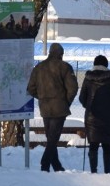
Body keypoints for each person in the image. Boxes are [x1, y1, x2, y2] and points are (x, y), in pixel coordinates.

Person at [26, 42, 79, 172]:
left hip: (45, 107)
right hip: (59, 107)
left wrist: (43, 97)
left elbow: (30, 89)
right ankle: (45, 163)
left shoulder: (38, 68)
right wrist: (66, 101)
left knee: (51, 137)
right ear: (61, 54)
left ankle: (56, 165)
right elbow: (73, 88)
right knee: (53, 139)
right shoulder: (65, 67)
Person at [79, 55, 110, 174]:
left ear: (94, 65)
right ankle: (107, 172)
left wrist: (88, 105)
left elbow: (81, 98)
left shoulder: (88, 78)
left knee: (93, 146)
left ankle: (93, 172)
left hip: (91, 117)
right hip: (108, 117)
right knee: (107, 146)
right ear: (106, 65)